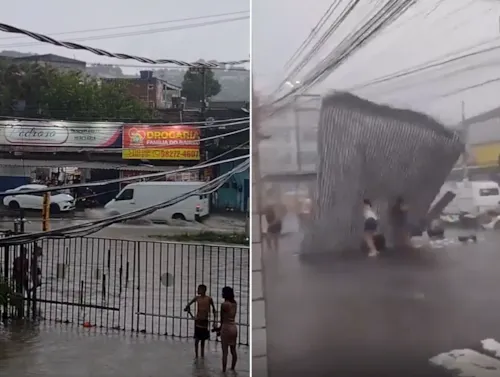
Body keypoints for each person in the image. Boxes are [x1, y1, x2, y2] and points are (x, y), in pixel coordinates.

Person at [184, 284, 216, 358]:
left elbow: (214, 310)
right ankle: (196, 356)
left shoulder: (209, 299)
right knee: (197, 340)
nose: (197, 291)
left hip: (204, 321)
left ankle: (202, 355)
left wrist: (214, 322)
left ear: (203, 290)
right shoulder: (197, 298)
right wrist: (189, 311)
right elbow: (188, 305)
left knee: (203, 340)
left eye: (199, 289)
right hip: (198, 321)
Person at [219, 286, 238, 372]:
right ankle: (233, 369)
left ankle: (223, 371)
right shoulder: (234, 303)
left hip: (226, 328)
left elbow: (222, 320)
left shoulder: (224, 305)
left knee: (225, 352)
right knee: (233, 350)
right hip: (234, 328)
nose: (222, 294)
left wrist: (219, 329)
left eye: (223, 292)